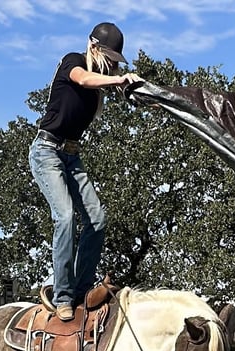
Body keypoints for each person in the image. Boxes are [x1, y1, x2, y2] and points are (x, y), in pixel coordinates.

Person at [30, 22, 142, 322]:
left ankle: (80, 292)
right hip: (46, 151)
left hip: (71, 155)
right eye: (108, 58)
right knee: (65, 217)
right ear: (93, 46)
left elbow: (103, 85)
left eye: (115, 62)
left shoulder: (101, 85)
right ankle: (62, 295)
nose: (110, 65)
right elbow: (82, 79)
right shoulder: (74, 62)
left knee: (97, 219)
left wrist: (135, 90)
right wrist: (115, 81)